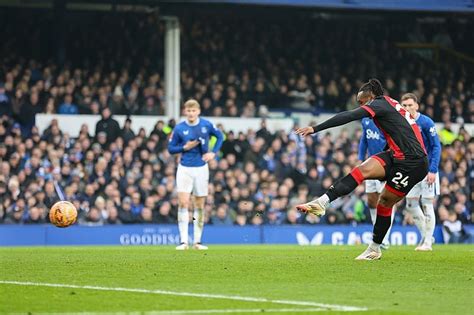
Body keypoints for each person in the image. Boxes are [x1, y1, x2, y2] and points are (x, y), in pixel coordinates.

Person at [295, 79, 428, 260]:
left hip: (413, 163)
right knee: (361, 170)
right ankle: (322, 203)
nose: (360, 106)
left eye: (361, 102)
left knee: (384, 203)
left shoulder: (378, 104)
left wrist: (315, 128)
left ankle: (375, 248)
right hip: (396, 155)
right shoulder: (389, 103)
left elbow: (349, 116)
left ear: (371, 97)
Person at [168, 99, 224, 250]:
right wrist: (184, 147)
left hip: (201, 168)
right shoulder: (179, 128)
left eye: (194, 111)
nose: (191, 113)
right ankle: (183, 241)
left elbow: (220, 136)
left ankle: (197, 241)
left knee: (199, 205)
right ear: (185, 112)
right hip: (184, 168)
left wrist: (213, 153)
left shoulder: (206, 125)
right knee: (183, 203)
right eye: (188, 110)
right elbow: (171, 148)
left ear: (198, 111)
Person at [401, 93, 441, 251]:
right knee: (410, 204)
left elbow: (436, 146)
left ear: (416, 106)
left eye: (410, 105)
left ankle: (427, 243)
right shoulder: (401, 123)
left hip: (427, 169)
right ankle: (426, 236)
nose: (407, 108)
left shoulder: (425, 122)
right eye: (404, 106)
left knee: (426, 203)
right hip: (411, 170)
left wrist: (433, 169)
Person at [358, 116, 394, 249]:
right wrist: (360, 158)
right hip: (370, 163)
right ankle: (377, 233)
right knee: (371, 201)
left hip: (385, 164)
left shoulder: (386, 120)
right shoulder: (365, 121)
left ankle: (384, 238)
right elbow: (364, 140)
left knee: (386, 200)